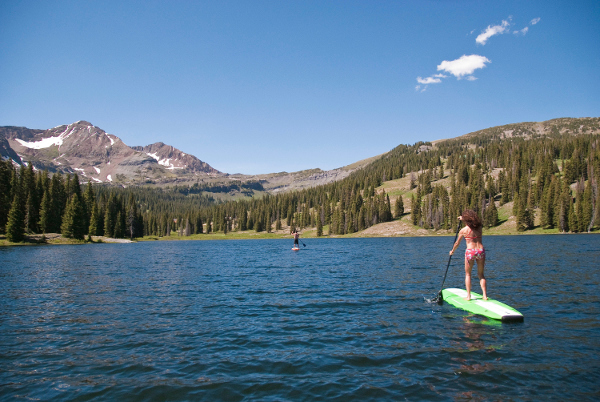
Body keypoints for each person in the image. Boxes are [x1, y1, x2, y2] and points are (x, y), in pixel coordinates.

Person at [449, 209, 487, 301]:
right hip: (480, 251)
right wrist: (463, 218)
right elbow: (472, 222)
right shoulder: (479, 227)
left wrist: (452, 251)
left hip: (470, 251)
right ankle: (485, 296)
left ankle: (468, 296)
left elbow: (457, 243)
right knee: (481, 275)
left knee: (468, 274)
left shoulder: (463, 230)